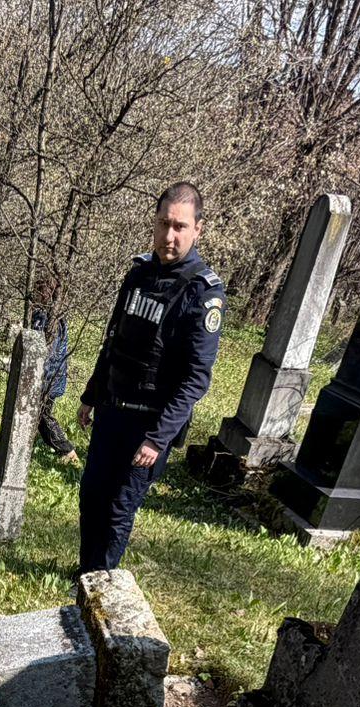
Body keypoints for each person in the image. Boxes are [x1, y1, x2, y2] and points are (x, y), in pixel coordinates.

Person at [73, 182, 225, 573]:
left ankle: (100, 587)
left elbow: (196, 378)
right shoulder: (139, 273)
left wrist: (158, 438)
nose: (169, 235)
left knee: (120, 506)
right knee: (92, 496)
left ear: (197, 230)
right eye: (163, 224)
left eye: (179, 227)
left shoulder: (202, 293)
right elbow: (113, 340)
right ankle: (85, 574)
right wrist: (91, 395)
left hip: (150, 425)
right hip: (113, 408)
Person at [27, 279, 79, 465]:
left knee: (43, 416)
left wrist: (38, 378)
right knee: (37, 414)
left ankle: (67, 450)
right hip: (51, 377)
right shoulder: (56, 317)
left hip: (47, 378)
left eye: (39, 291)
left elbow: (46, 351)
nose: (35, 294)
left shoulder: (47, 319)